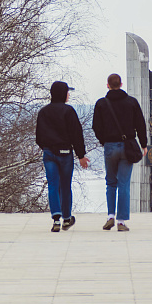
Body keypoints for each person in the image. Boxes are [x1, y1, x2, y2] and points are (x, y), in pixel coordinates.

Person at [92, 73, 147, 232]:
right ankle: (121, 221)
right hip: (128, 146)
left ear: (107, 85)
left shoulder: (101, 104)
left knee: (110, 182)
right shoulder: (132, 102)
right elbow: (140, 125)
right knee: (124, 184)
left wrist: (105, 141)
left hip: (110, 146)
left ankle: (110, 216)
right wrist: (143, 144)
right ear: (121, 84)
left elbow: (96, 126)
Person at [36, 81, 90, 232]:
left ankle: (56, 219)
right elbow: (76, 134)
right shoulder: (69, 111)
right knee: (65, 186)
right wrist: (81, 155)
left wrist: (48, 148)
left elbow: (38, 137)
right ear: (62, 93)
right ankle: (67, 218)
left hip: (49, 153)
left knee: (53, 185)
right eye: (67, 92)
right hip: (65, 153)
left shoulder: (43, 112)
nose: (68, 95)